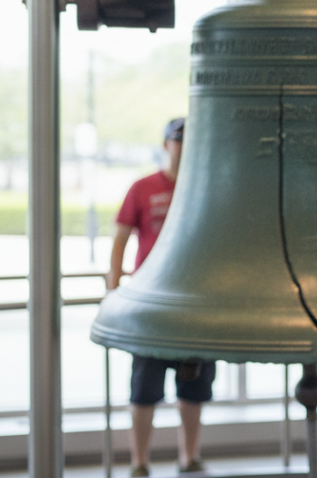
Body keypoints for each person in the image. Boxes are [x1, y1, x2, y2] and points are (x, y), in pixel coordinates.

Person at [109, 117, 214, 477]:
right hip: (151, 308)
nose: (183, 147)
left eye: (190, 141)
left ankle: (190, 456)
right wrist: (113, 288)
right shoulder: (143, 187)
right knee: (144, 390)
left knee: (194, 389)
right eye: (178, 140)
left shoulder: (206, 188)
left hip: (194, 306)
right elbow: (121, 237)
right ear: (166, 143)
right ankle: (140, 462)